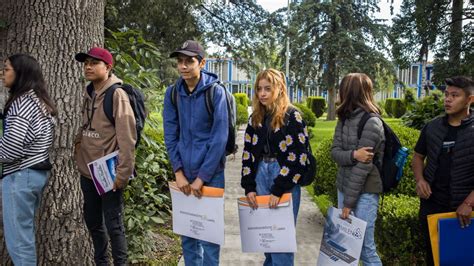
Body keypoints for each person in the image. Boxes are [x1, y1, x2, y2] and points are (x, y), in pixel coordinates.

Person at [162, 40, 228, 266]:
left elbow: (219, 139)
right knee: (188, 235)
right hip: (184, 175)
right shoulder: (172, 94)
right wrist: (178, 172)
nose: (183, 66)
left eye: (189, 61)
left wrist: (202, 178)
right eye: (180, 61)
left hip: (211, 176)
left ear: (201, 62)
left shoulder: (215, 93)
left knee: (209, 238)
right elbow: (170, 135)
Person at [74, 47, 136, 265]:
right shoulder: (89, 92)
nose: (88, 67)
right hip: (88, 172)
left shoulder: (117, 95)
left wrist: (122, 174)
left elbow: (128, 138)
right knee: (93, 221)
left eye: (94, 63)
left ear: (108, 67)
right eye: (86, 63)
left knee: (114, 225)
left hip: (110, 173)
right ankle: (102, 263)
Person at [240, 68, 307, 266]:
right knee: (267, 237)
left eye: (268, 88)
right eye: (259, 89)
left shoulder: (292, 116)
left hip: (284, 176)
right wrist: (249, 186)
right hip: (260, 173)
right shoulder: (256, 119)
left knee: (281, 240)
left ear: (279, 89)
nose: (262, 93)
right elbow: (248, 153)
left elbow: (300, 158)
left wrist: (279, 189)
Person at [412, 76, 474, 265]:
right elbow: (417, 157)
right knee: (434, 258)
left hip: (464, 211)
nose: (447, 99)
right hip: (432, 207)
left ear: (470, 99)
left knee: (462, 260)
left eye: (454, 95)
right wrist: (420, 180)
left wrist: (469, 204)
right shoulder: (432, 127)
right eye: (446, 94)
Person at [1, 54, 56, 265]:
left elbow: (11, 148)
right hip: (34, 173)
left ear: (20, 73)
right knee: (23, 235)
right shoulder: (38, 100)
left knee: (19, 241)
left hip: (20, 175)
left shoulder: (21, 104)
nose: (2, 73)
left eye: (6, 69)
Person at [330, 73, 384, 265]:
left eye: (341, 90)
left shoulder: (372, 122)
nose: (339, 93)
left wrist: (348, 205)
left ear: (350, 92)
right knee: (346, 247)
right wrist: (354, 155)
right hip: (344, 187)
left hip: (366, 192)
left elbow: (363, 168)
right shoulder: (343, 118)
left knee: (365, 249)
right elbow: (335, 153)